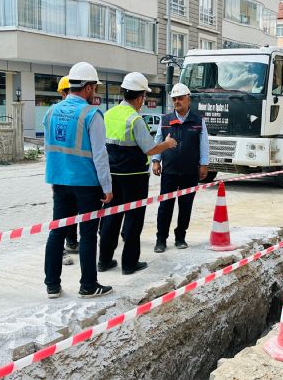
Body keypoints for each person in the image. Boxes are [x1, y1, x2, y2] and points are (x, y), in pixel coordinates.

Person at [43, 62, 114, 299]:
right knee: (87, 234)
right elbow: (100, 154)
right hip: (85, 184)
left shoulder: (51, 112)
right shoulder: (91, 114)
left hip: (59, 181)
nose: (95, 92)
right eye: (94, 87)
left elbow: (49, 147)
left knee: (57, 231)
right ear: (88, 87)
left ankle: (52, 285)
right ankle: (88, 285)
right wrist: (107, 187)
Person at [98, 73, 177, 275]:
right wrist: (167, 144)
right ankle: (129, 264)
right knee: (133, 219)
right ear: (140, 97)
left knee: (110, 218)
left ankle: (104, 260)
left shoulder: (108, 114)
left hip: (112, 176)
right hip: (134, 178)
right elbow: (149, 149)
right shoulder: (135, 120)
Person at [152, 83, 210, 253]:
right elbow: (158, 141)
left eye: (180, 98)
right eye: (175, 99)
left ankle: (180, 237)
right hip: (169, 171)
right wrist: (156, 160)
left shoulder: (198, 121)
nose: (177, 101)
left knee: (186, 206)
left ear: (188, 99)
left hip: (190, 172)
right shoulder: (165, 120)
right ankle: (161, 240)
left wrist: (204, 165)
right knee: (165, 207)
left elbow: (204, 144)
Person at [55, 76, 78, 257]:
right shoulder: (59, 113)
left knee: (73, 211)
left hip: (66, 172)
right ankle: (62, 247)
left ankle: (71, 241)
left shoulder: (55, 113)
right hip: (67, 173)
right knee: (63, 214)